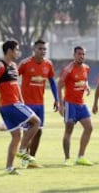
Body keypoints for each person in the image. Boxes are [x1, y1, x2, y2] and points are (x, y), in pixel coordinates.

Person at [0, 40, 41, 175]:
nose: (18, 52)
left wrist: (22, 101)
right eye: (16, 49)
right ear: (9, 51)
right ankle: (22, 151)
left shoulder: (14, 66)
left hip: (13, 104)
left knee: (16, 136)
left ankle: (9, 167)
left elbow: (16, 86)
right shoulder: (0, 65)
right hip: (10, 104)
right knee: (37, 122)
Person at [18, 39, 59, 168]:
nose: (42, 51)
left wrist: (56, 99)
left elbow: (52, 82)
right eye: (40, 48)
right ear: (34, 49)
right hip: (26, 103)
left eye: (44, 49)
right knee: (28, 132)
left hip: (40, 104)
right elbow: (13, 78)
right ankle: (25, 158)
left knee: (39, 131)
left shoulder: (48, 64)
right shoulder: (25, 63)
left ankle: (32, 159)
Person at [58, 46, 93, 166]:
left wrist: (86, 86)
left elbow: (84, 79)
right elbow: (60, 85)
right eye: (79, 54)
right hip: (70, 104)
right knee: (69, 131)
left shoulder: (86, 68)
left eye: (83, 54)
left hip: (81, 104)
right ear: (74, 55)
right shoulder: (68, 69)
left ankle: (80, 157)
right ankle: (67, 159)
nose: (81, 56)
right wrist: (60, 104)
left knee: (89, 127)